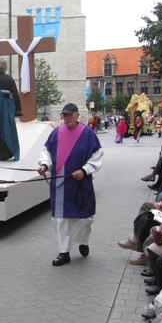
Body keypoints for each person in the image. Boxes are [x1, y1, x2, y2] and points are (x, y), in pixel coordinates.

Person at [38, 103, 104, 266]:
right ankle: (64, 251)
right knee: (60, 219)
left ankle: (83, 241)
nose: (66, 118)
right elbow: (46, 151)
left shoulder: (88, 134)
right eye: (64, 115)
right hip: (60, 183)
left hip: (81, 183)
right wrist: (45, 165)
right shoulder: (56, 133)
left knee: (84, 219)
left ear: (76, 115)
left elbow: (97, 155)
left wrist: (85, 170)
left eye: (69, 115)